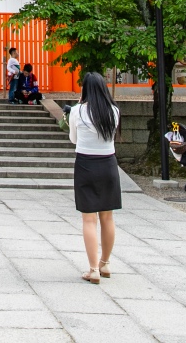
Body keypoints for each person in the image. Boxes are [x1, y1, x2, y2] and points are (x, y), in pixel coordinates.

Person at [70, 72, 120, 284]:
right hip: (108, 164)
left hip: (86, 164)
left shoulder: (77, 111)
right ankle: (105, 263)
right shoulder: (114, 111)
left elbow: (74, 138)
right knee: (107, 217)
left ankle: (93, 269)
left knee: (89, 219)